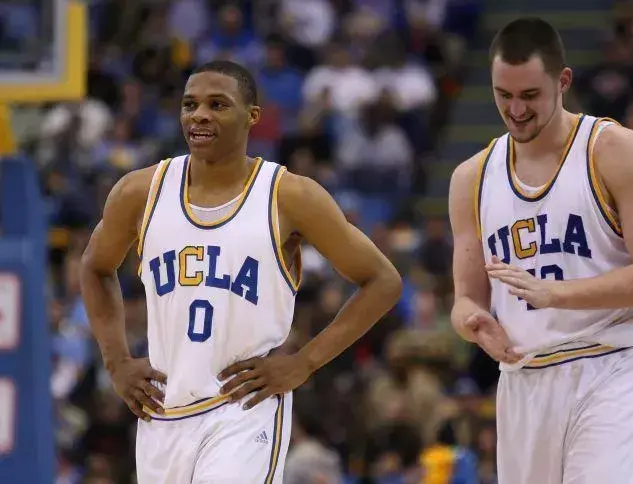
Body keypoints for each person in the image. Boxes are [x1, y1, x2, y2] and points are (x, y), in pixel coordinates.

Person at [79, 60, 402, 483]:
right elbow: (95, 267)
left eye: (218, 104)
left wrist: (304, 363)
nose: (199, 115)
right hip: (163, 413)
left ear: (253, 116)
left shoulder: (289, 195)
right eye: (190, 104)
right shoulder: (139, 191)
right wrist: (116, 362)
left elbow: (383, 281)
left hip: (244, 409)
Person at [448, 18, 633, 483]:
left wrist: (557, 294)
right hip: (524, 377)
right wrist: (473, 323)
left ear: (563, 81)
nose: (516, 110)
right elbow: (466, 298)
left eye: (529, 95)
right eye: (503, 95)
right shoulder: (470, 178)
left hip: (614, 364)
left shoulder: (612, 150)